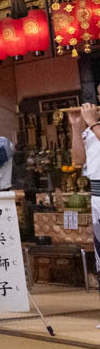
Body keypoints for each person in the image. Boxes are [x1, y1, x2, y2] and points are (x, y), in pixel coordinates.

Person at [68, 97, 100, 327]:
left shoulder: (95, 125)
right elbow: (78, 159)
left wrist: (91, 124)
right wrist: (76, 127)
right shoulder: (92, 127)